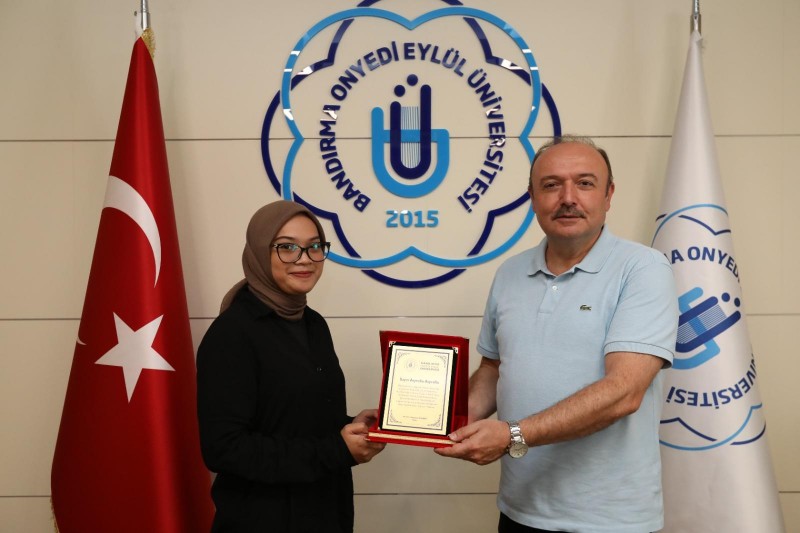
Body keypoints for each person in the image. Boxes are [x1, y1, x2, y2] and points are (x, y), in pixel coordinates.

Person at [435, 136, 679, 533]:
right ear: (532, 197)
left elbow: (624, 392)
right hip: (519, 510)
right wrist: (434, 420)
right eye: (551, 185)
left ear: (608, 195)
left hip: (609, 521)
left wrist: (512, 436)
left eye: (584, 183)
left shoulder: (643, 269)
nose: (568, 198)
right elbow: (493, 370)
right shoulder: (510, 273)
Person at [196, 200, 385, 532]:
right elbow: (224, 448)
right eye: (287, 247)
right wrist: (336, 450)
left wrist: (351, 426)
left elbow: (295, 418)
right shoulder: (232, 333)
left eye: (315, 246)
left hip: (325, 513)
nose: (305, 259)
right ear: (259, 251)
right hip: (261, 521)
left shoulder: (313, 324)